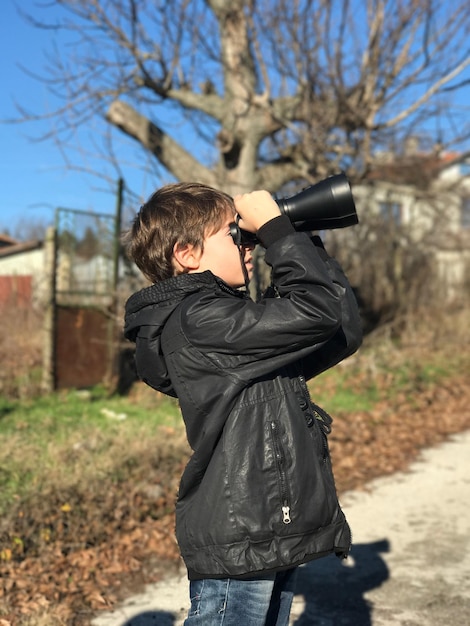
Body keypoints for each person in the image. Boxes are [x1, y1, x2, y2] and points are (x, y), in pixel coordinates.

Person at [123, 182, 362, 625]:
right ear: (187, 254)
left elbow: (338, 329)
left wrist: (298, 235)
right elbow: (316, 311)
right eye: (236, 235)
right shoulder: (199, 321)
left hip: (267, 522)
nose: (250, 244)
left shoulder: (228, 323)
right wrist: (275, 229)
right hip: (242, 529)